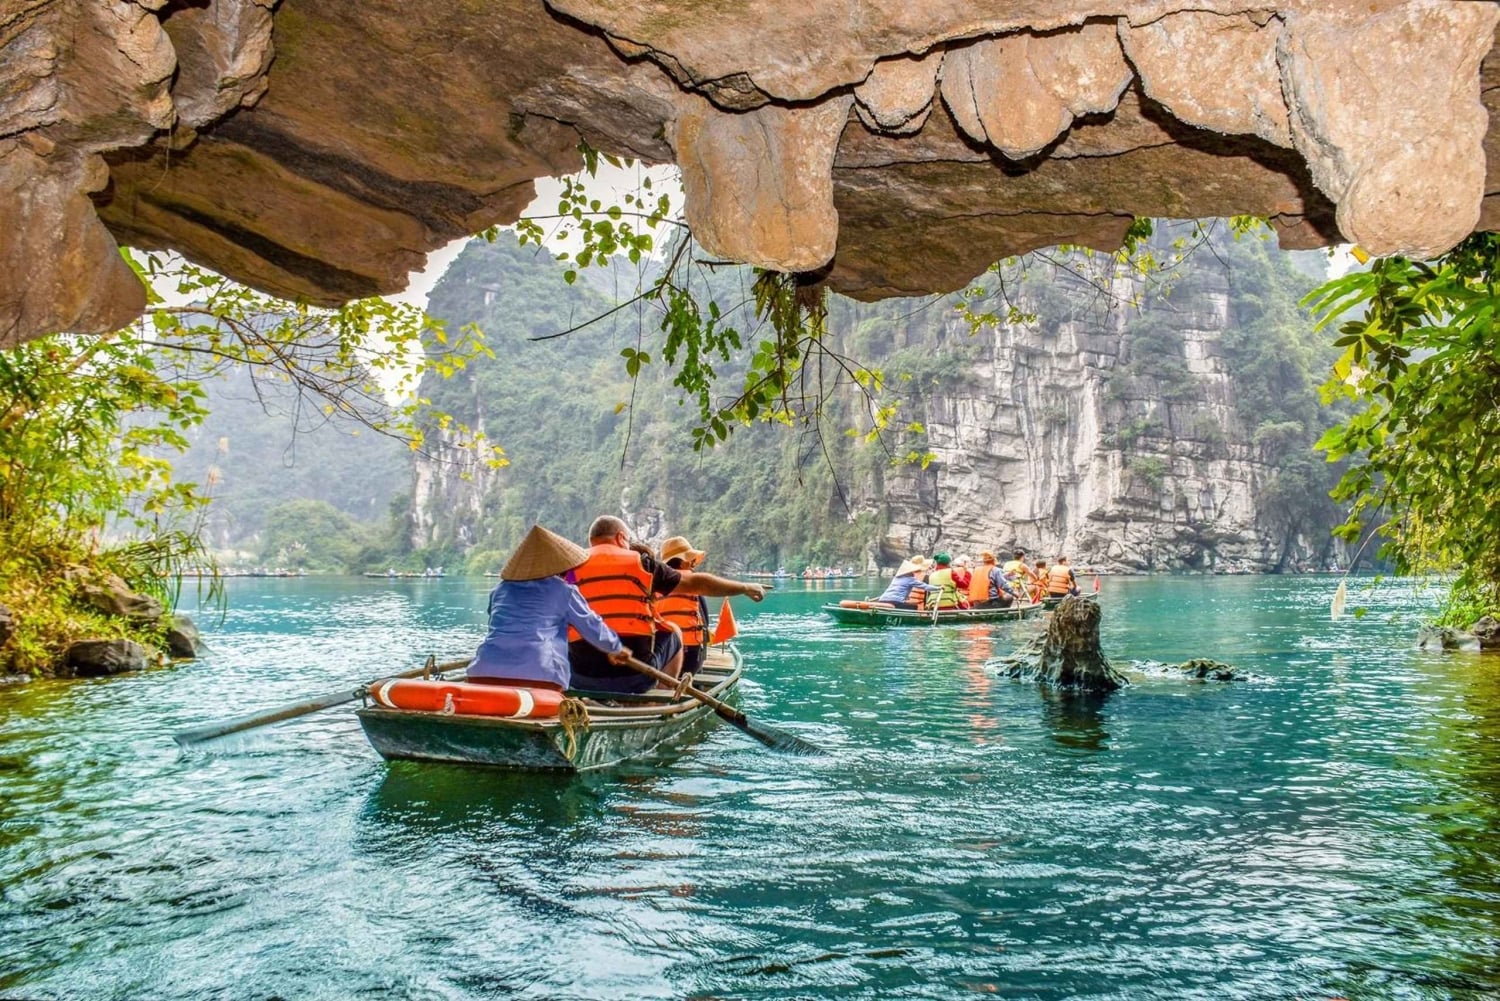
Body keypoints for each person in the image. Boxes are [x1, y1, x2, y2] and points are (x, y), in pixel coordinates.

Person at [568, 516, 765, 694]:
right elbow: (696, 583)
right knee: (673, 631)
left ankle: (584, 698)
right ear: (621, 538)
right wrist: (744, 587)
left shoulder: (570, 569)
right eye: (628, 541)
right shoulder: (643, 565)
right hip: (636, 678)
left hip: (580, 679)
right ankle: (660, 696)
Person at [466, 524, 632, 690]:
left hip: (482, 672)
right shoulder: (564, 591)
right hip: (540, 675)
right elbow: (592, 626)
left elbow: (495, 625)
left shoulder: (499, 590)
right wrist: (615, 648)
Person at [656, 534, 712, 677]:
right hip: (690, 657)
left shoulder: (654, 585)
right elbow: (705, 622)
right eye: (691, 561)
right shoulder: (693, 585)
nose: (693, 565)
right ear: (682, 563)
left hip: (660, 655)